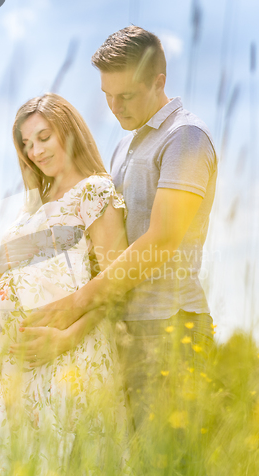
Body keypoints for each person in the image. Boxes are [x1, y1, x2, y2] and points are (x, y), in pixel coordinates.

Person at [11, 26, 218, 435]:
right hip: (124, 331)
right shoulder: (127, 144)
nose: (114, 107)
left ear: (159, 82)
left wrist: (75, 303)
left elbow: (160, 241)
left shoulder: (185, 138)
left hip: (171, 330)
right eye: (107, 95)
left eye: (125, 96)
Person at [0, 93, 129, 476]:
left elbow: (116, 284)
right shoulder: (33, 205)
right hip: (21, 373)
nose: (36, 151)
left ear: (67, 129)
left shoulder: (95, 191)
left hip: (71, 356)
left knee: (70, 474)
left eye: (43, 137)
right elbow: (6, 272)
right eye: (27, 144)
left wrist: (67, 337)